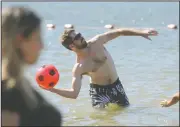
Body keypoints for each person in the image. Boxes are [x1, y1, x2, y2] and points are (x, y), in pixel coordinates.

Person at [42, 27, 158, 108]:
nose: (81, 36)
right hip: (99, 93)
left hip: (117, 86)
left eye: (79, 34)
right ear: (72, 45)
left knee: (125, 113)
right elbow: (74, 94)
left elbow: (119, 32)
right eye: (77, 36)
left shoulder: (97, 42)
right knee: (102, 120)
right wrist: (53, 89)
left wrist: (141, 32)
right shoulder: (79, 67)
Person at [2, 6, 62, 126]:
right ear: (20, 41)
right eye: (38, 38)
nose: (42, 46)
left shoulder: (19, 89)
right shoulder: (9, 96)